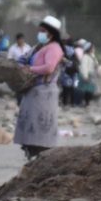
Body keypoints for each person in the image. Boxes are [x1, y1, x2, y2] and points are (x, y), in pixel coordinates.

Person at [14, 16, 65, 160]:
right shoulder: (38, 47)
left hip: (44, 92)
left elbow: (49, 68)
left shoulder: (54, 48)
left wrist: (30, 69)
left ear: (51, 33)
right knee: (31, 121)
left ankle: (43, 156)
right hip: (33, 91)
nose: (40, 33)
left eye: (43, 31)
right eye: (40, 30)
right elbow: (22, 58)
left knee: (41, 124)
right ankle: (34, 154)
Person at [78, 42, 98, 107]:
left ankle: (88, 102)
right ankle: (86, 102)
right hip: (87, 74)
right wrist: (85, 76)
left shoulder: (92, 55)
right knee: (87, 90)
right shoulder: (85, 57)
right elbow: (84, 67)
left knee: (91, 89)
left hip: (92, 74)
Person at [60, 38, 79, 107]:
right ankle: (73, 102)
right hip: (73, 71)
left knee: (65, 88)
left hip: (65, 71)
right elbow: (77, 61)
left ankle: (65, 103)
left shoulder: (63, 50)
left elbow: (61, 60)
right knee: (72, 88)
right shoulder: (74, 50)